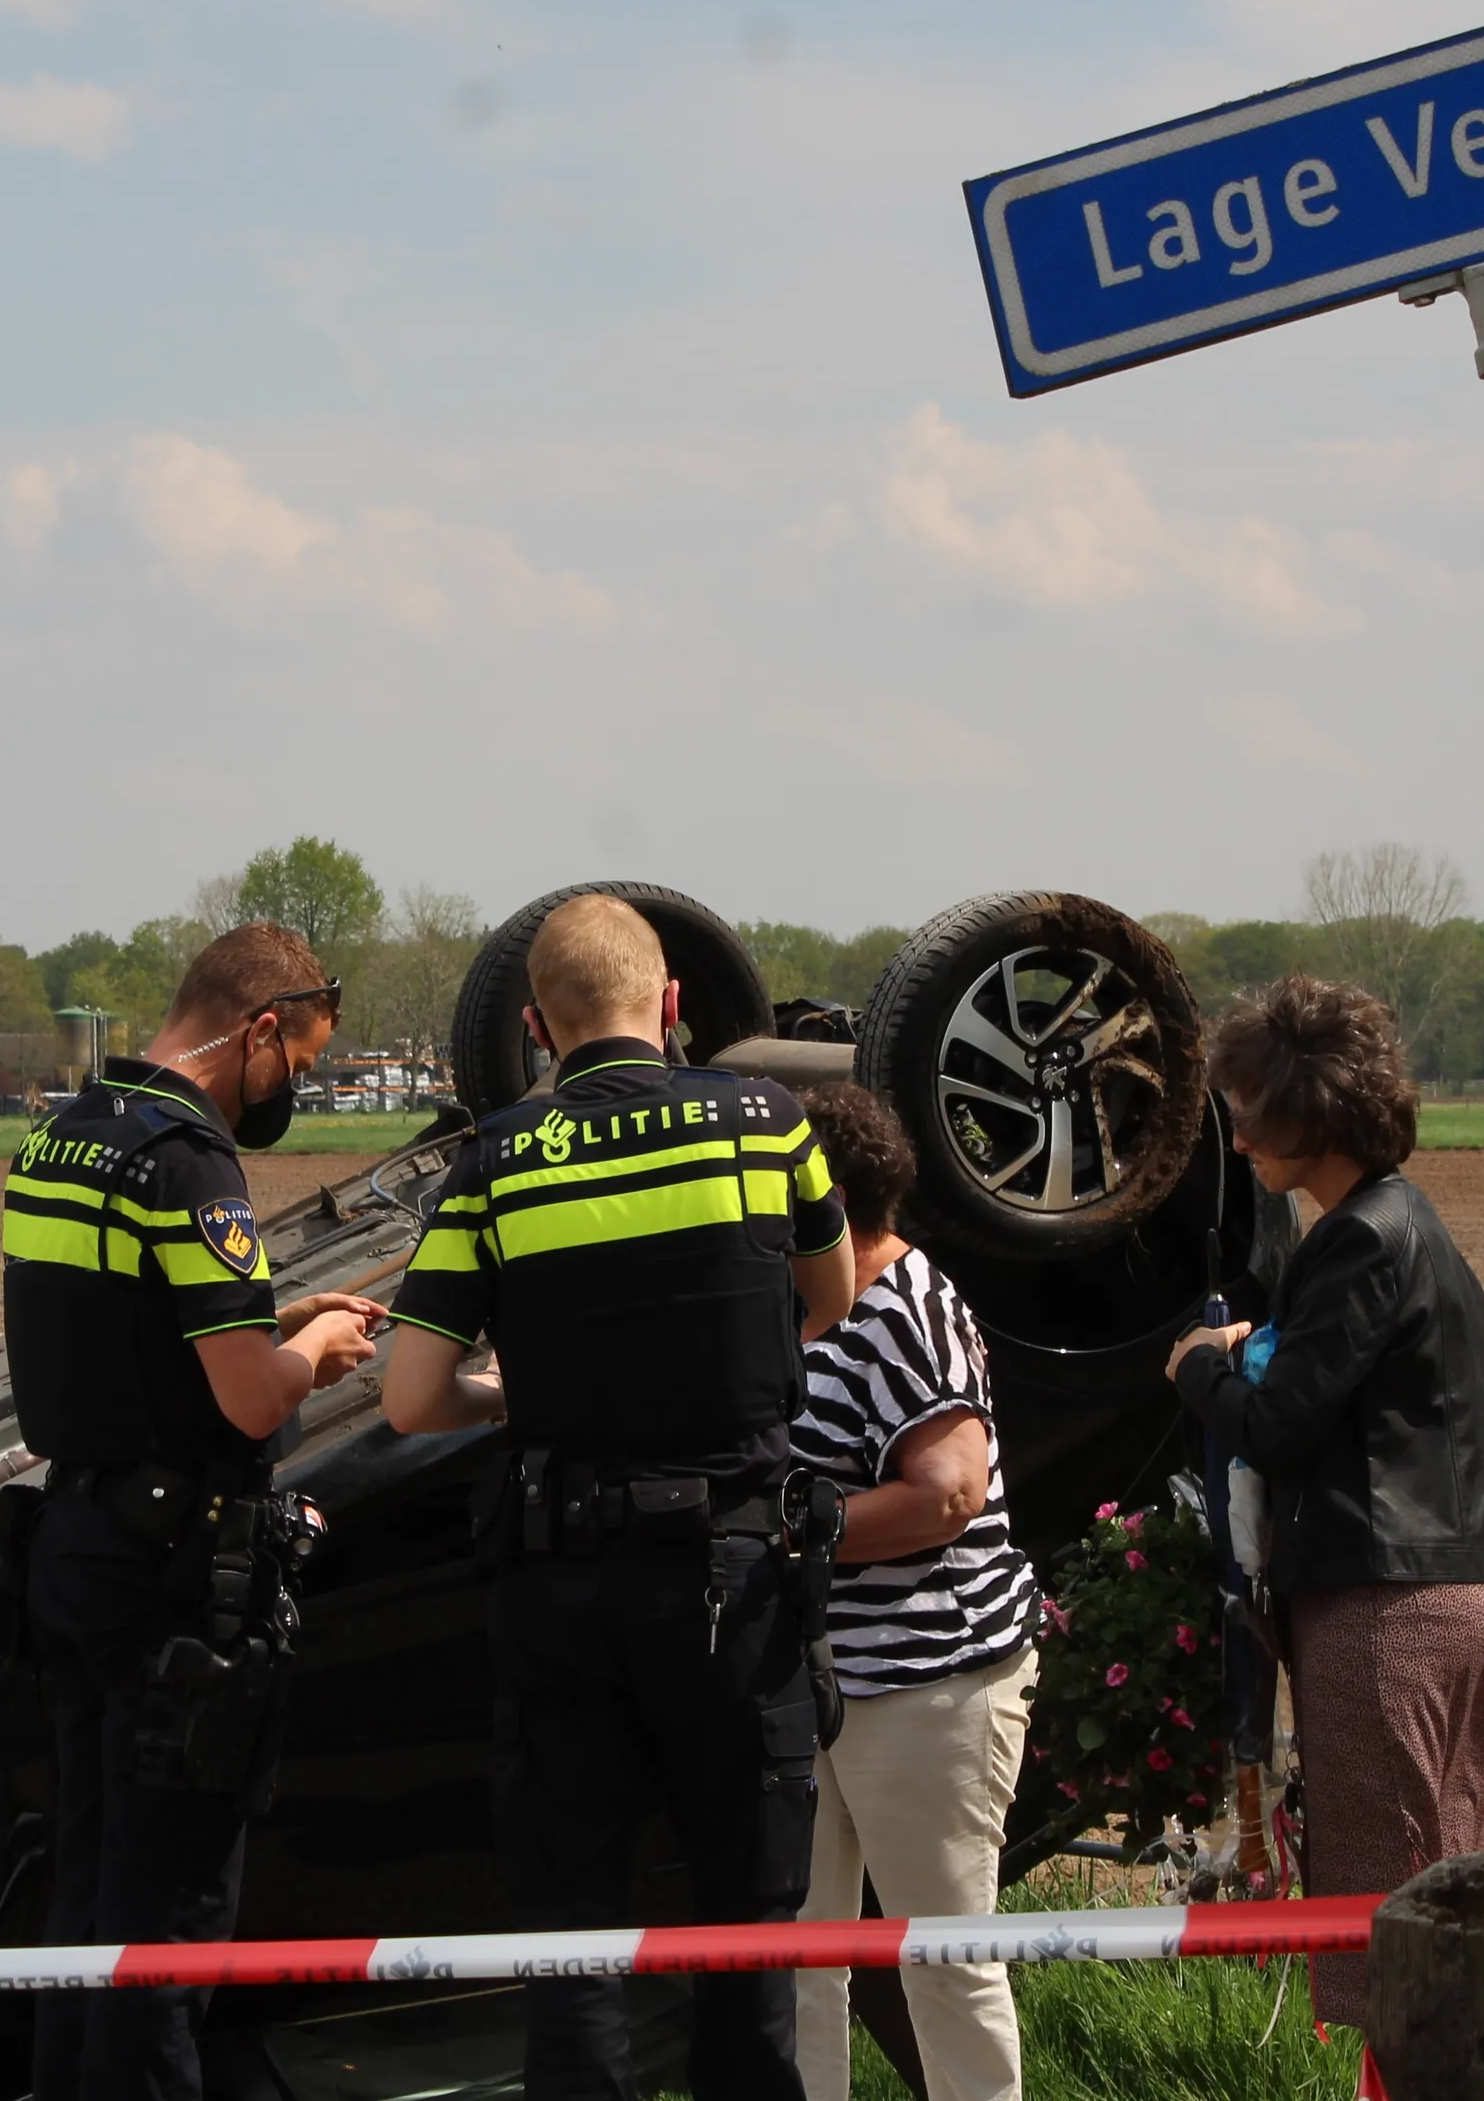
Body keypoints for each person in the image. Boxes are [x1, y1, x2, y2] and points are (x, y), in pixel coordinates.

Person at [378, 894, 856, 2101]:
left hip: (564, 1588)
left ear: (538, 1026)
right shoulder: (765, 1123)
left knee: (573, 1940)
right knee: (748, 1928)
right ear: (675, 1004)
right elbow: (832, 1294)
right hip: (732, 1590)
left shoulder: (493, 1165)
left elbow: (410, 1398)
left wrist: (518, 1392)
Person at [1, 922, 385, 2101]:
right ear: (259, 1028)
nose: (298, 1088)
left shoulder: (61, 1140)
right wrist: (311, 1350)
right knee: (167, 1927)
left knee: (85, 1900)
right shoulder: (190, 1162)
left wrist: (269, 1320)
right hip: (170, 1584)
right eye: (303, 1062)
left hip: (69, 1547)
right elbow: (243, 1402)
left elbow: (129, 1346)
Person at [1166, 976, 1484, 2025]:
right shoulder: (1410, 1224)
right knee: (1455, 1919)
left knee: (1395, 1946)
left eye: (1247, 1117)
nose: (1237, 1142)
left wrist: (1195, 1367)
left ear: (1306, 1116)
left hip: (1383, 1618)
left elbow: (1278, 1425)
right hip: (1451, 1599)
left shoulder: (1358, 1239)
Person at [782, 1082, 1039, 2101]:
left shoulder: (909, 1312)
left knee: (945, 1957)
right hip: (825, 1685)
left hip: (928, 1685)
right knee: (799, 1957)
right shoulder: (809, 1308)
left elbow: (948, 1495)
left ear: (828, 1202)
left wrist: (800, 1532)